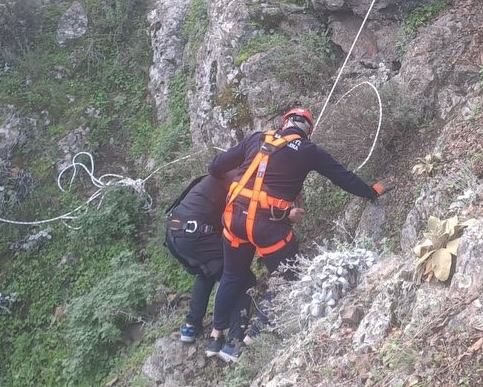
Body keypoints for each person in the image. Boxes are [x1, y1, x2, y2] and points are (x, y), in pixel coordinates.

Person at [204, 107, 383, 362]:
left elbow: (216, 167)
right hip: (267, 227)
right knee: (288, 276)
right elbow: (341, 176)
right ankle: (247, 340)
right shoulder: (308, 150)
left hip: (234, 219)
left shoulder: (257, 138)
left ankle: (216, 336)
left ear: (284, 123)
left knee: (232, 274)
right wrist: (371, 191)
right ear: (308, 130)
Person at [163, 169, 254, 345]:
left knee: (207, 272)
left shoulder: (211, 177)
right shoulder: (238, 182)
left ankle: (191, 325)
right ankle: (235, 339)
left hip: (174, 235)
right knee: (242, 277)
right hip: (195, 235)